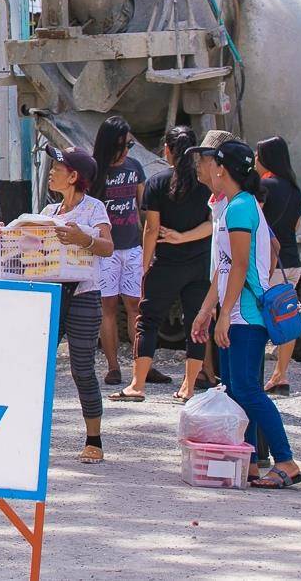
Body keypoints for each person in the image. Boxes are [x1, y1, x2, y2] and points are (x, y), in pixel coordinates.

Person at [189, 139, 301, 489]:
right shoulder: (232, 206)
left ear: (222, 169)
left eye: (209, 160)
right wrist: (206, 311)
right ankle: (250, 460)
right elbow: (224, 270)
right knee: (239, 390)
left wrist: (223, 315)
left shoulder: (240, 208)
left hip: (246, 316)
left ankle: (285, 459)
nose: (203, 166)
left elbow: (239, 265)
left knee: (247, 389)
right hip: (235, 312)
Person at [0, 145, 113, 463]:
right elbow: (28, 248)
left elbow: (107, 246)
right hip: (48, 296)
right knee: (37, 367)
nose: (51, 172)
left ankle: (94, 440)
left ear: (74, 176)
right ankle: (28, 436)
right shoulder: (48, 213)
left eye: (57, 168)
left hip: (84, 295)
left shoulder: (94, 209)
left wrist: (82, 239)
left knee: (82, 369)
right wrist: (4, 236)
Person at [116, 126, 214, 402]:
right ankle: (189, 387)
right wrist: (185, 237)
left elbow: (151, 230)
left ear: (167, 151)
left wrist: (144, 265)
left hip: (166, 265)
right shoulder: (206, 185)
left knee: (147, 322)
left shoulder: (157, 183)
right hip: (199, 265)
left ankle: (137, 385)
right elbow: (212, 225)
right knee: (196, 322)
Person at [91, 117, 144, 387]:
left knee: (135, 306)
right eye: (122, 145)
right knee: (107, 307)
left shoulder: (135, 168)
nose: (125, 151)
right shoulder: (94, 172)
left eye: (129, 145)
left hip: (132, 245)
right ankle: (113, 366)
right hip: (105, 251)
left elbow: (142, 207)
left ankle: (140, 366)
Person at [257, 137, 301, 395]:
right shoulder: (296, 190)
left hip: (269, 263)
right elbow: (295, 226)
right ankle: (281, 375)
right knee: (286, 316)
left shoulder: (264, 186)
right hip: (291, 263)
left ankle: (257, 376)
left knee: (259, 322)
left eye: (257, 154)